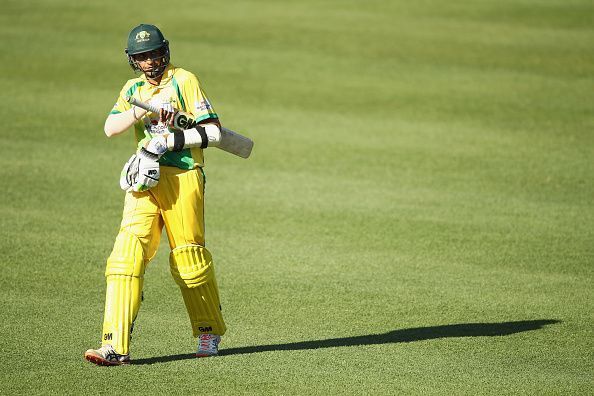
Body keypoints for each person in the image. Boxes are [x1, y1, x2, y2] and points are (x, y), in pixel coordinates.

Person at [84, 24, 227, 366]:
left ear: (165, 51)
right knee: (124, 258)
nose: (149, 62)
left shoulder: (184, 80)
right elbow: (110, 128)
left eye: (153, 54)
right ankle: (114, 346)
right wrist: (143, 108)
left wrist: (168, 139)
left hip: (183, 176)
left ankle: (208, 330)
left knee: (188, 259)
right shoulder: (132, 89)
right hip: (145, 178)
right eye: (141, 57)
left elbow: (213, 131)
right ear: (133, 60)